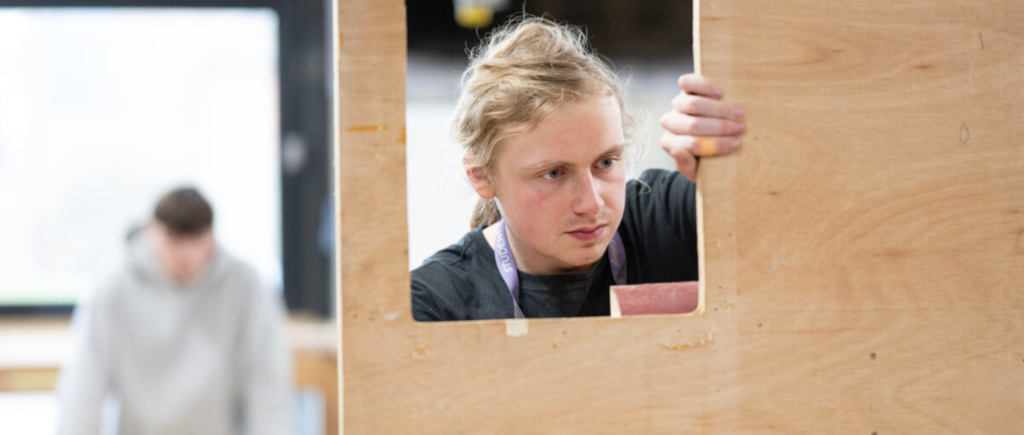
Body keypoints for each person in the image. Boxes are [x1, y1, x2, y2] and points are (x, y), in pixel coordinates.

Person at [411, 16, 744, 321]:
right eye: (554, 173)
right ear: (481, 176)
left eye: (606, 163)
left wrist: (741, 153)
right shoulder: (435, 305)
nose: (592, 204)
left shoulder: (674, 216)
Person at [57, 187, 294, 434]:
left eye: (196, 240)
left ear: (211, 234)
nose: (186, 254)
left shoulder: (246, 285)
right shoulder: (113, 287)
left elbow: (269, 391)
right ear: (152, 230)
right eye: (175, 239)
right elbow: (82, 390)